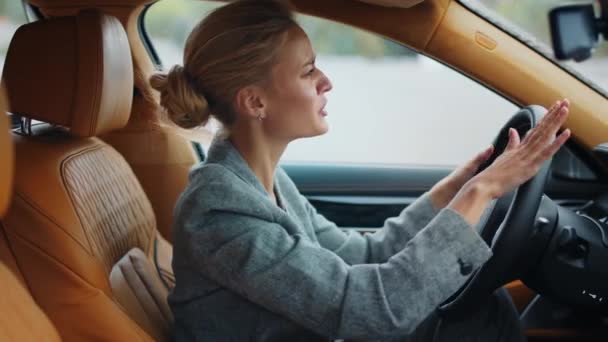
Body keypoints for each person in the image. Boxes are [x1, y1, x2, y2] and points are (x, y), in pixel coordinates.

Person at [149, 0, 571, 341]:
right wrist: (482, 193)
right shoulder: (221, 215)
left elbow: (360, 257)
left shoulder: (260, 183)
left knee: (480, 309)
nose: (326, 81)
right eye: (308, 70)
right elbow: (370, 313)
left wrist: (456, 187)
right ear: (254, 103)